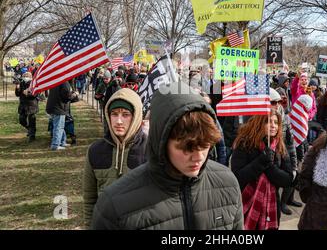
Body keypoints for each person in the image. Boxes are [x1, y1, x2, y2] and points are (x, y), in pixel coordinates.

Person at [90, 81, 243, 229]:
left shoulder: (228, 184)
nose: (199, 157)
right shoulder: (114, 205)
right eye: (187, 148)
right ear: (161, 141)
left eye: (204, 145)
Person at [83, 88, 148, 229]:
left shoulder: (151, 150)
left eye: (125, 115)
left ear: (136, 116)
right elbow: (89, 198)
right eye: (114, 114)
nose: (118, 121)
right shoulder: (95, 151)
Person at [231, 109, 295, 230]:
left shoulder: (280, 146)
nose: (273, 126)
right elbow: (237, 178)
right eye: (268, 121)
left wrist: (270, 167)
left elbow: (287, 180)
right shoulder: (244, 144)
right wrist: (260, 161)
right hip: (246, 204)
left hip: (272, 207)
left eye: (276, 122)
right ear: (259, 123)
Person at [46, 81, 78, 151]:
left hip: (53, 106)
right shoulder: (64, 83)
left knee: (60, 126)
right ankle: (55, 144)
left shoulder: (56, 81)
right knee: (58, 127)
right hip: (59, 107)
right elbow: (66, 97)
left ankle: (62, 142)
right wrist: (74, 95)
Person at [15, 72, 39, 142]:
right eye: (24, 76)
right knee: (21, 120)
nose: (25, 77)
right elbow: (17, 94)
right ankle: (29, 129)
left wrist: (28, 93)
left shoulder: (33, 84)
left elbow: (35, 94)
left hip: (32, 105)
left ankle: (32, 136)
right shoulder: (21, 83)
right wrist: (17, 87)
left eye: (27, 76)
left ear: (31, 77)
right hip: (23, 105)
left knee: (32, 121)